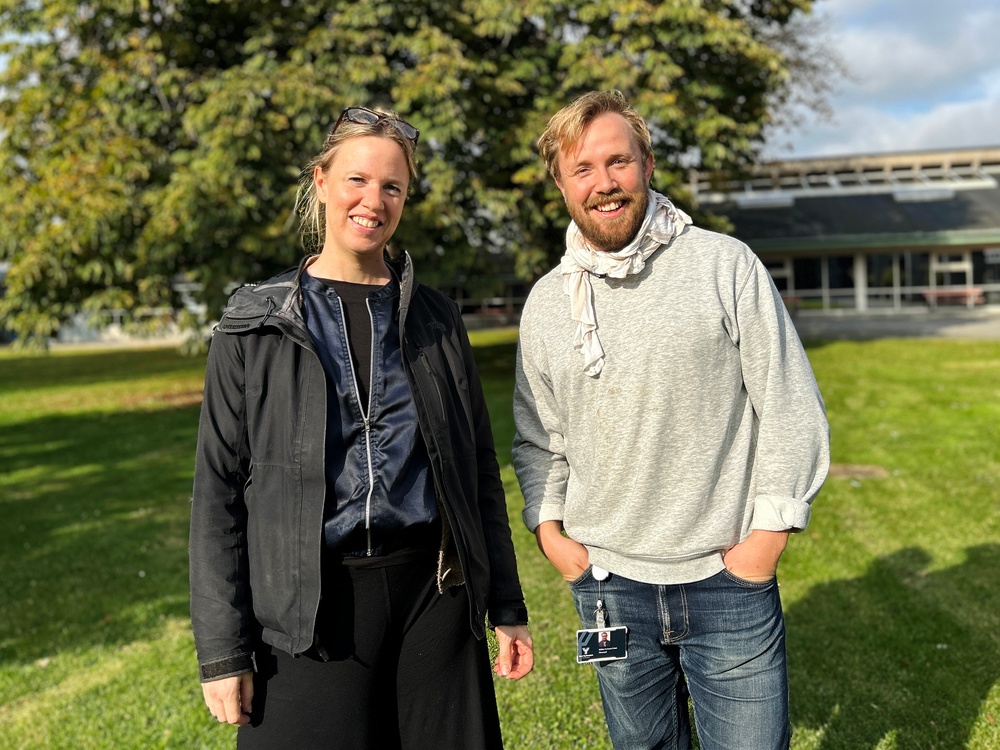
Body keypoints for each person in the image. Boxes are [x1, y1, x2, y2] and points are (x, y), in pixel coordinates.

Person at [190, 105, 533, 749]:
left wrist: (507, 607)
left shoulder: (435, 318)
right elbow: (218, 493)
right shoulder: (254, 325)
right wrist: (222, 651)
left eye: (392, 186)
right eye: (357, 180)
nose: (373, 200)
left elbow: (476, 470)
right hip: (310, 614)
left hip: (433, 602)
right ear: (321, 181)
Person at [512, 90, 829, 750]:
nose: (604, 183)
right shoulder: (546, 303)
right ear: (561, 185)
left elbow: (790, 406)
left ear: (647, 164)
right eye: (583, 169)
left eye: (618, 161)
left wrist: (763, 542)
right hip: (607, 588)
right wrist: (553, 537)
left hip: (726, 582)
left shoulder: (724, 266)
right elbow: (540, 438)